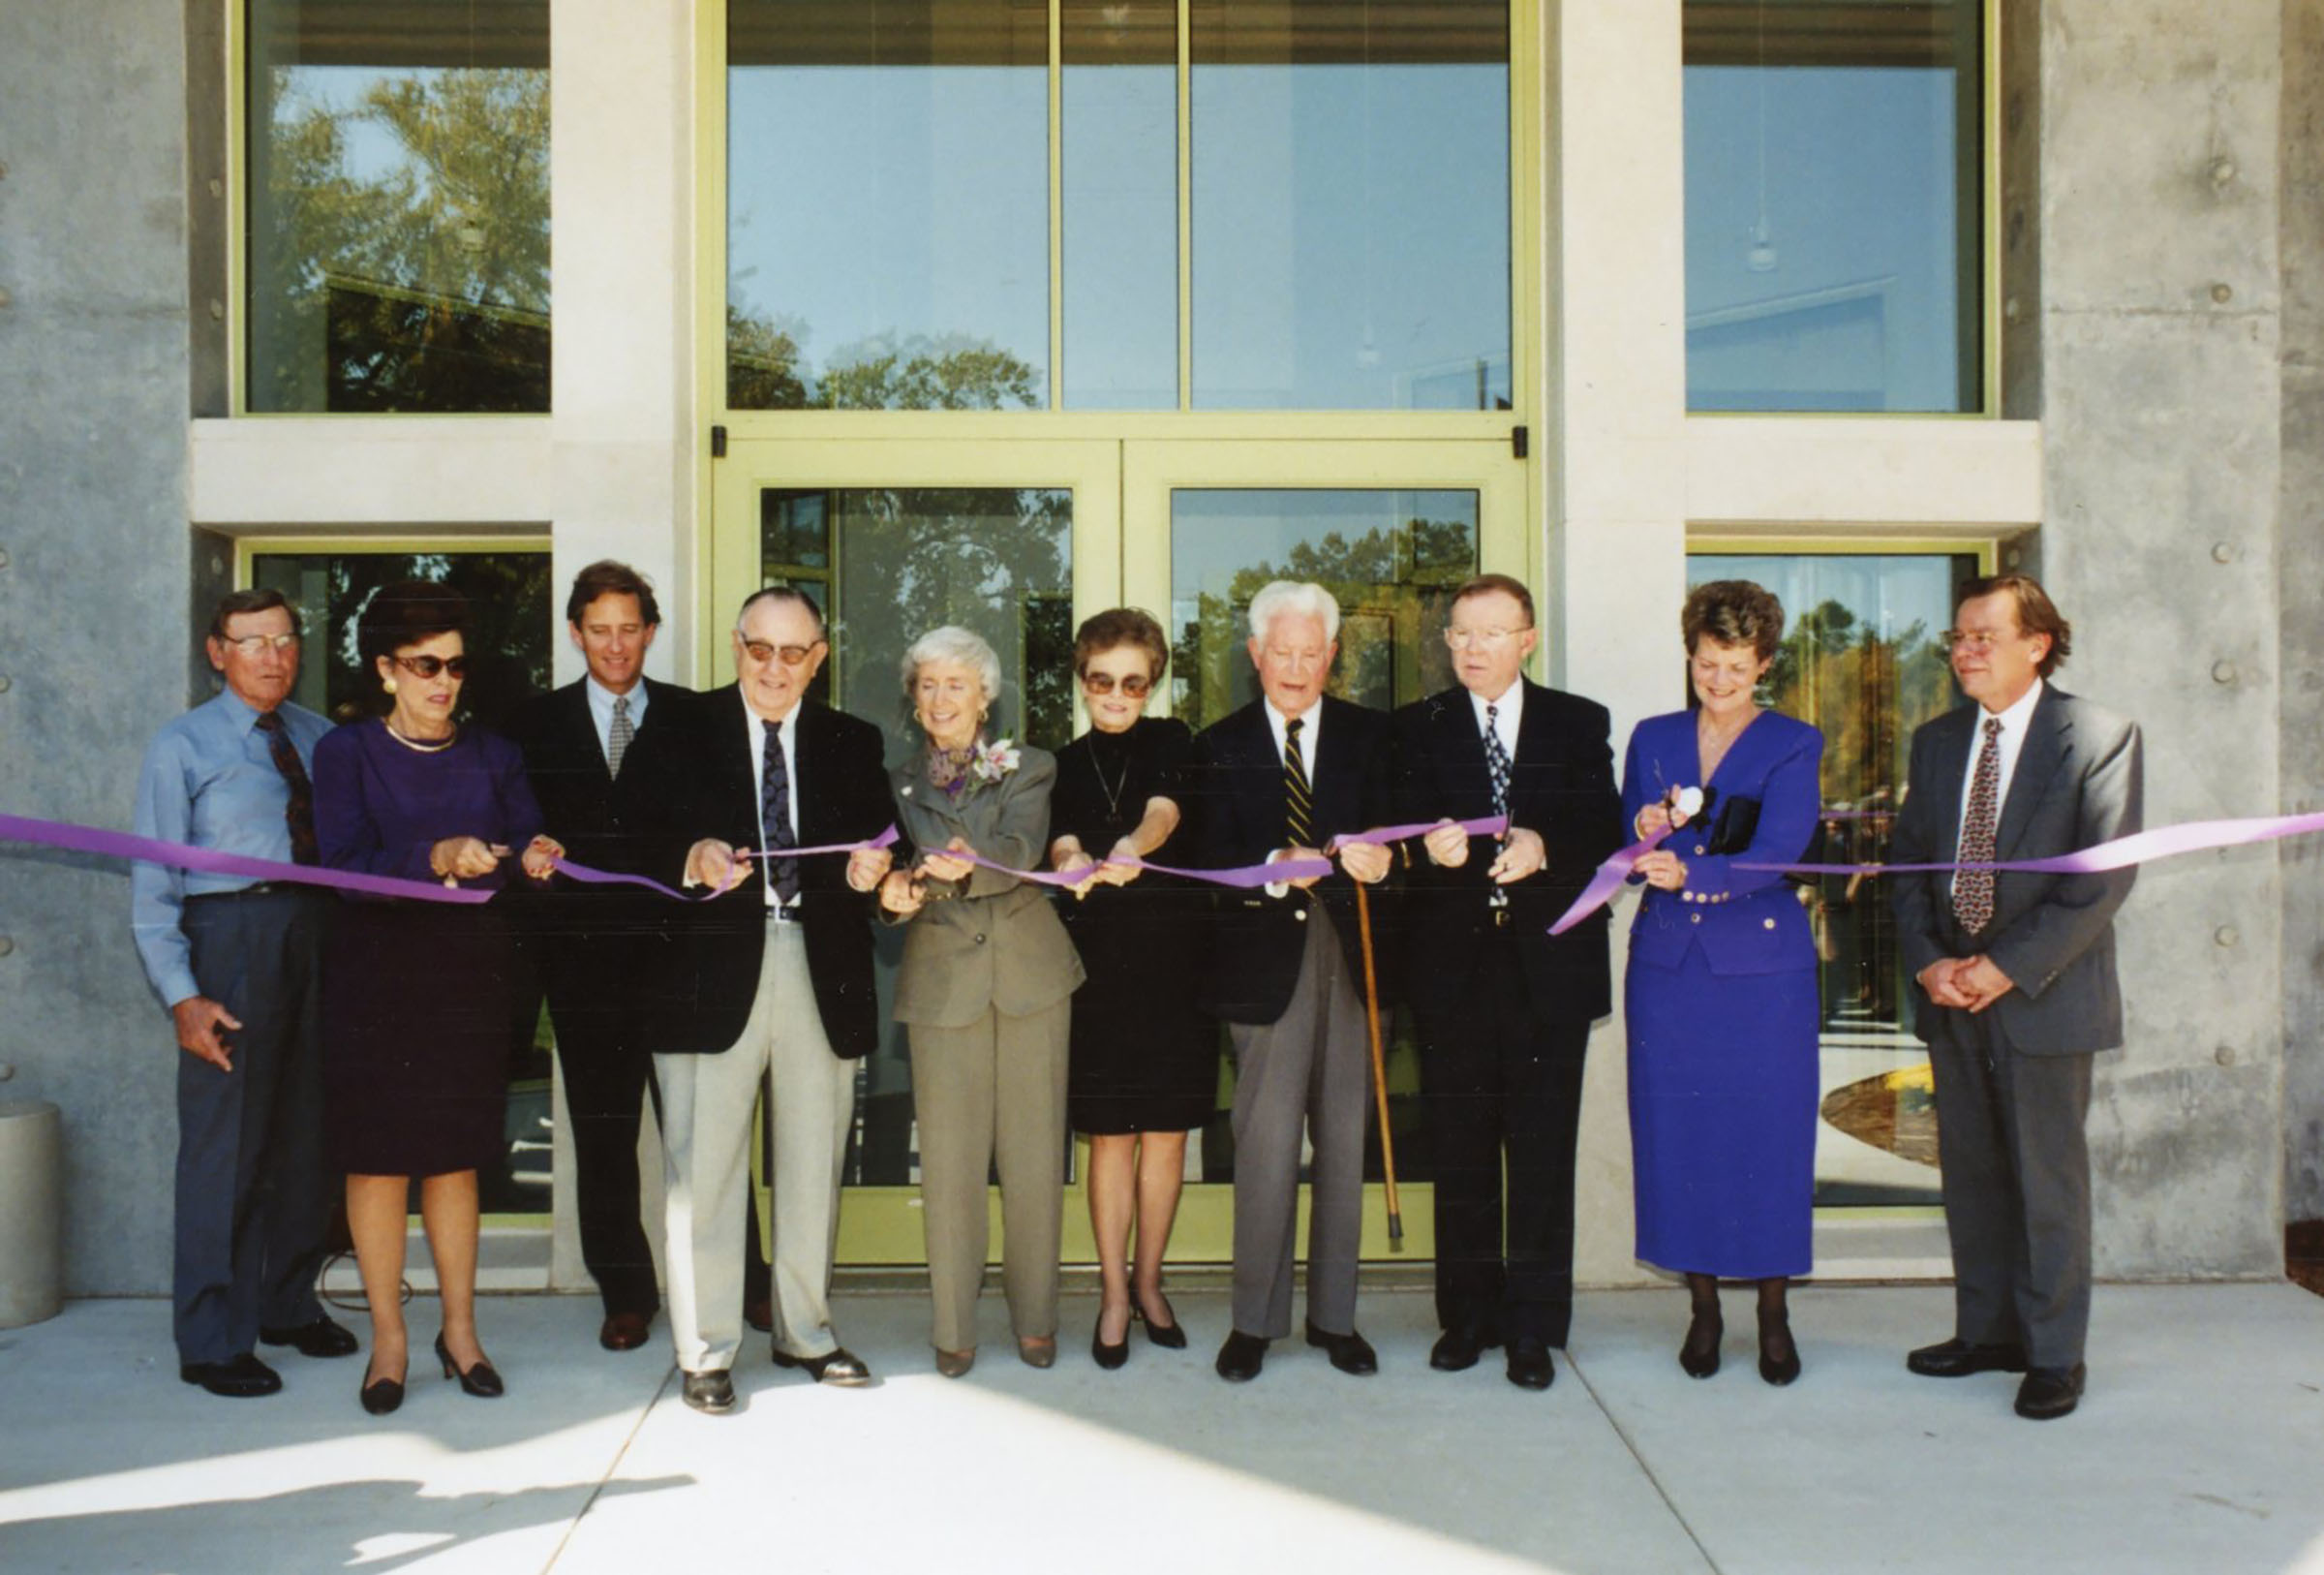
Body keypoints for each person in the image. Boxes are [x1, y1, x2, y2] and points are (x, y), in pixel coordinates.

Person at [1890, 573, 2141, 1422]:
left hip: (2043, 995)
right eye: (1957, 637)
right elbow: (1907, 868)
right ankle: (1988, 1332)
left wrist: (2001, 967)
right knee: (1973, 1177)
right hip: (1951, 998)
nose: (1964, 651)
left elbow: (2102, 884)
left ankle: (2055, 1354)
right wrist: (1931, 964)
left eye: (1983, 636)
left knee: (2047, 1183)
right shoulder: (1934, 742)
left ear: (2037, 643)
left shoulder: (2100, 737)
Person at [510, 560, 772, 1354]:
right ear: (575, 633)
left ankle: (746, 1283)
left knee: (708, 1136)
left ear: (651, 632)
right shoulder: (533, 725)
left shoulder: (698, 719)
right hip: (584, 967)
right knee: (602, 1135)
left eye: (630, 629)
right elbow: (520, 826)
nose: (616, 645)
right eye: (600, 629)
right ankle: (625, 1292)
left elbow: (729, 820)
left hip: (680, 958)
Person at [313, 580, 559, 1415]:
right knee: (379, 1163)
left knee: (457, 1160)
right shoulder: (345, 754)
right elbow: (343, 866)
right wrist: (436, 856)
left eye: (454, 665)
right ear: (385, 669)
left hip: (467, 984)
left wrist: (538, 851)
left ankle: (462, 1334)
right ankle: (389, 1340)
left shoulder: (495, 753)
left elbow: (526, 835)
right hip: (375, 983)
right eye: (424, 665)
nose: (443, 681)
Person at [655, 587, 897, 1415]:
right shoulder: (680, 725)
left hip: (816, 965)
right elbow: (633, 833)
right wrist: (690, 853)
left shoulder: (852, 741)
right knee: (706, 1170)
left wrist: (874, 876)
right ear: (736, 646)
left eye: (793, 654)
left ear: (818, 660)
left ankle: (806, 1332)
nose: (774, 668)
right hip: (706, 972)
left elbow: (878, 848)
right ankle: (707, 1349)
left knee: (811, 1163)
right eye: (760, 649)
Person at [1391, 573, 1622, 1391]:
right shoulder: (1417, 728)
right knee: (1458, 1153)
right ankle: (1467, 1320)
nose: (1472, 649)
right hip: (1453, 972)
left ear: (1527, 639)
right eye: (1458, 633)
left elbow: (1605, 826)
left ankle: (1533, 1327)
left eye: (1490, 633)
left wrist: (1542, 845)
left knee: (1539, 1153)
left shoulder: (1577, 721)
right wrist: (1429, 850)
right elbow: (1398, 840)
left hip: (1546, 971)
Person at [131, 588, 358, 1398]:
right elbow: (153, 882)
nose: (273, 655)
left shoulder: (320, 739)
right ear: (216, 650)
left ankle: (286, 1304)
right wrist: (182, 995)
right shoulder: (181, 745)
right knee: (225, 1148)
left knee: (306, 1136)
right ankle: (211, 1336)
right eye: (252, 641)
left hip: (318, 937)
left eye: (285, 639)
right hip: (230, 941)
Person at [1619, 579, 1823, 1386]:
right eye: (1707, 664)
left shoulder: (1793, 741)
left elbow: (1781, 850)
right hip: (1668, 970)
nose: (1718, 681)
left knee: (1766, 1142)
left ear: (1764, 663)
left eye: (1735, 667)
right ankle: (1702, 1309)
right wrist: (1640, 832)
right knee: (1678, 1139)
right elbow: (1627, 835)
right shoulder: (1654, 735)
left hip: (1760, 974)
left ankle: (1772, 1312)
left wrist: (1689, 871)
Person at [1188, 581, 1392, 1383]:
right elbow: (1203, 854)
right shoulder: (1220, 744)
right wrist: (1269, 867)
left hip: (1353, 955)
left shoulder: (1373, 739)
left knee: (1344, 1144)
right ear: (1255, 655)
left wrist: (1387, 859)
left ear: (1332, 657)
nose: (1297, 667)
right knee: (1266, 1144)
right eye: (1283, 652)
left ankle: (1334, 1319)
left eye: (1312, 653)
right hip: (1262, 962)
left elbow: (1401, 839)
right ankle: (1253, 1321)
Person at [877, 626, 1085, 1377]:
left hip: (1030, 977)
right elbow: (887, 871)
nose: (940, 699)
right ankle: (954, 1328)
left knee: (1032, 1160)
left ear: (985, 694)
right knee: (951, 1166)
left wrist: (962, 866)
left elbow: (1023, 851)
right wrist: (894, 894)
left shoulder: (1030, 765)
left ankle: (1035, 1320)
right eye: (928, 684)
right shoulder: (897, 780)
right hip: (941, 987)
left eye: (956, 684)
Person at [1047, 608, 1212, 1368]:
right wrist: (1076, 853)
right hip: (1097, 974)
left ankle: (1151, 1284)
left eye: (1133, 682)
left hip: (1175, 966)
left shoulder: (1175, 741)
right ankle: (1114, 1294)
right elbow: (1059, 836)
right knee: (1110, 1137)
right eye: (1102, 680)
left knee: (1168, 1135)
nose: (1117, 694)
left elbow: (1164, 812)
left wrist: (1130, 847)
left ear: (1153, 685)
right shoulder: (1058, 761)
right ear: (1082, 681)